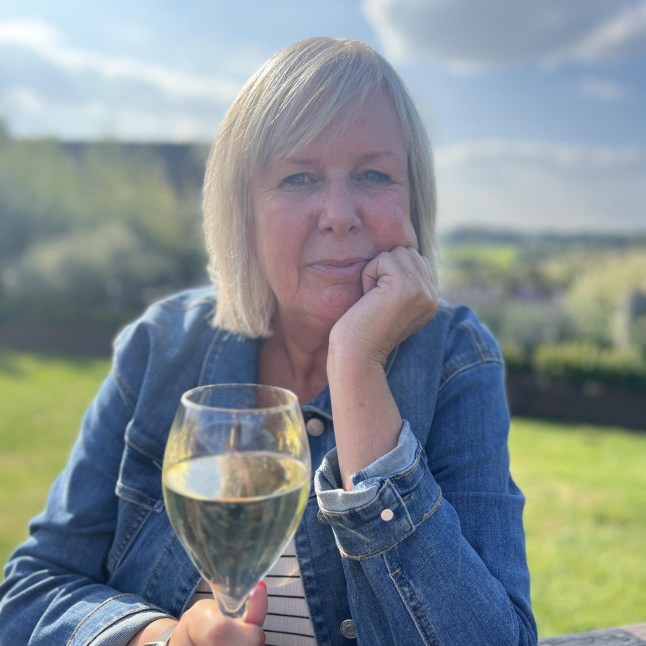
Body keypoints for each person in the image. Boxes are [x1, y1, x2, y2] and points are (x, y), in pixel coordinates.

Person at [0, 37, 537, 645]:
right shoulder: (161, 347)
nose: (339, 213)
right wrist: (161, 640)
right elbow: (32, 592)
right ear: (244, 210)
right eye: (298, 177)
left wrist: (357, 365)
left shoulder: (456, 358)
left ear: (413, 197)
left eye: (374, 174)